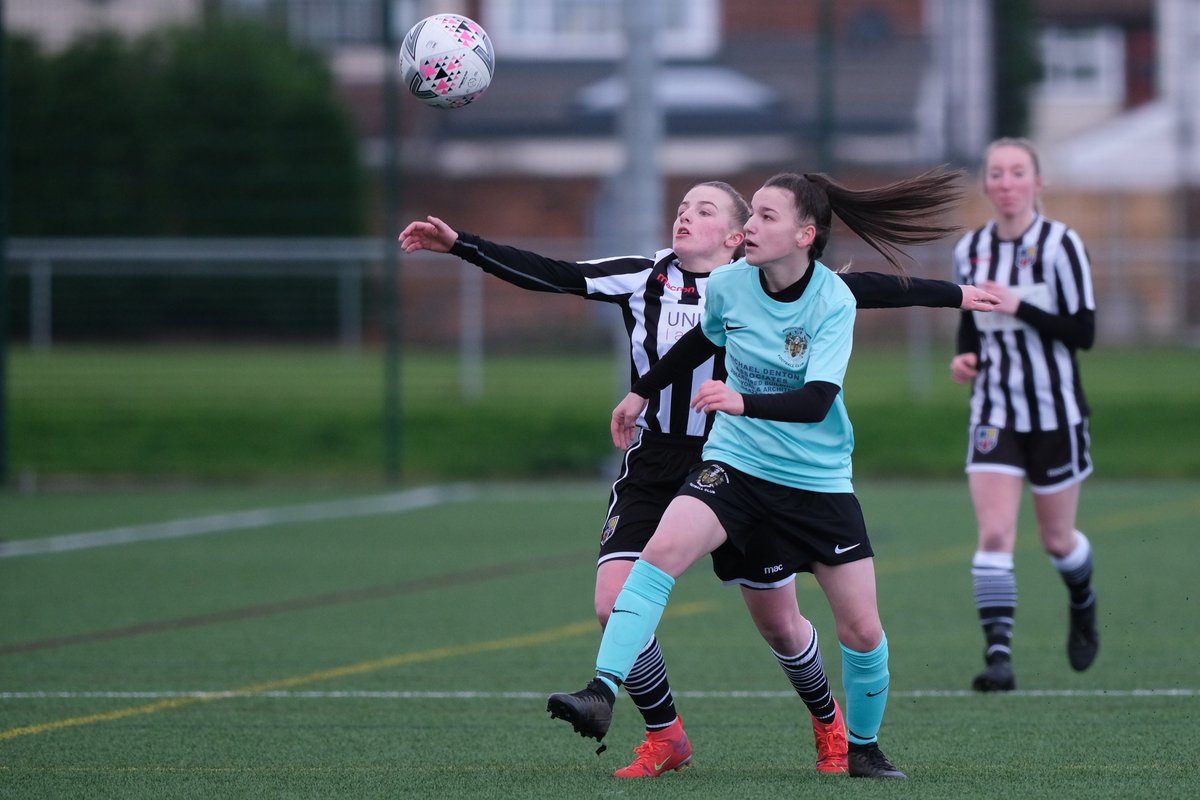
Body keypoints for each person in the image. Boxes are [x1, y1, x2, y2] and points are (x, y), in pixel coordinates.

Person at [401, 181, 996, 779]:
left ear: (738, 234)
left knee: (783, 625)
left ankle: (835, 727)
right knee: (617, 597)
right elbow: (556, 273)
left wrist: (958, 294)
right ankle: (651, 727)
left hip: (766, 457)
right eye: (681, 207)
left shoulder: (768, 276)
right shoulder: (648, 277)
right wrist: (463, 246)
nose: (684, 216)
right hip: (683, 460)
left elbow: (865, 291)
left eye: (704, 209)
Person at [545, 167, 969, 780]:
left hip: (815, 479)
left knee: (861, 628)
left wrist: (742, 400)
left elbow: (819, 399)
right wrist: (641, 392)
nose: (750, 226)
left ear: (804, 235)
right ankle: (602, 692)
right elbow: (698, 342)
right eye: (751, 215)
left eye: (766, 217)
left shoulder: (832, 300)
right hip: (736, 464)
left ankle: (863, 747)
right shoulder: (730, 283)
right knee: (657, 557)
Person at [948, 137, 1098, 692]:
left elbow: (1083, 332)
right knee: (993, 533)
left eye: (1017, 172)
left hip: (1056, 411)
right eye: (996, 173)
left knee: (1057, 540)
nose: (1007, 183)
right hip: (994, 411)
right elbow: (971, 324)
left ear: (1037, 182)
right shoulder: (971, 251)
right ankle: (999, 656)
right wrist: (966, 358)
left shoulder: (1062, 245)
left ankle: (1082, 600)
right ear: (986, 184)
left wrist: (1021, 305)